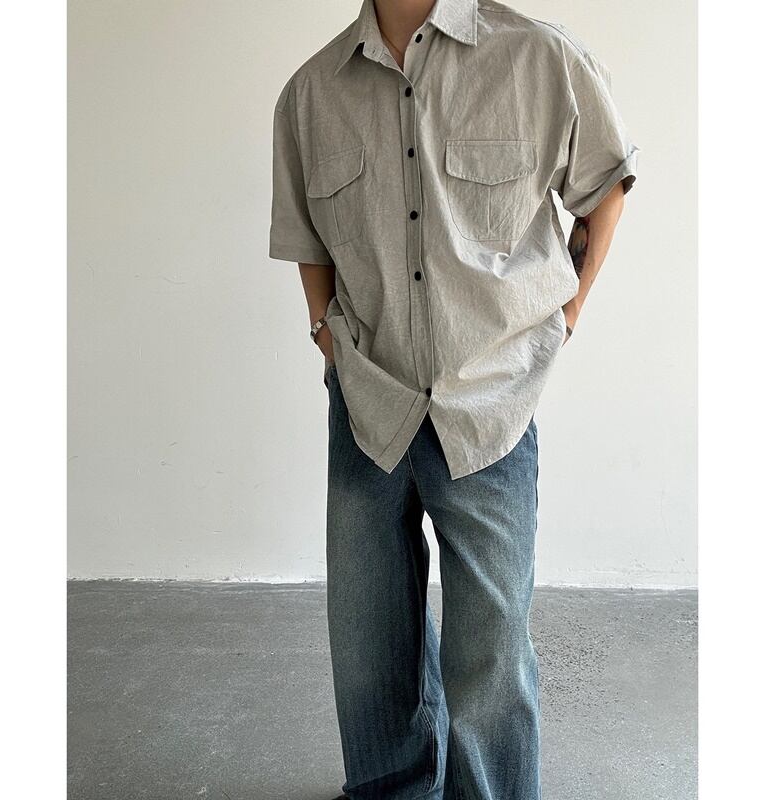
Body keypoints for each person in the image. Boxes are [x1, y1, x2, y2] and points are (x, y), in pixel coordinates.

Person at [269, 1, 639, 797]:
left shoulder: (539, 59)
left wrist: (567, 317)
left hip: (489, 406)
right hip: (367, 406)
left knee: (491, 654)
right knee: (369, 649)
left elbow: (606, 183)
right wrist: (325, 335)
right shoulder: (310, 93)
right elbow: (307, 239)